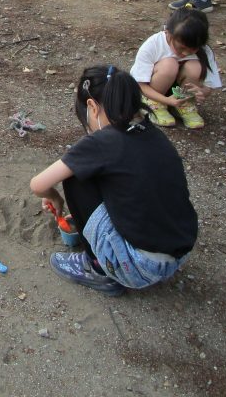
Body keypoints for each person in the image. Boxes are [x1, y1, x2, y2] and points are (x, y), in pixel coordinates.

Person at [30, 66, 198, 297]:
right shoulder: (153, 133)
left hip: (138, 267)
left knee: (76, 176)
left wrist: (55, 198)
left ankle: (97, 268)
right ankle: (109, 244)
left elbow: (38, 185)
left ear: (92, 106)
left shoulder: (102, 142)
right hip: (176, 255)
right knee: (105, 173)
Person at [131, 7, 221, 130]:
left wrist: (201, 93)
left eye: (193, 49)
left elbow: (209, 86)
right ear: (167, 32)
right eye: (181, 48)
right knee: (169, 64)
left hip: (181, 94)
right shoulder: (154, 44)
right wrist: (166, 100)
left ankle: (184, 105)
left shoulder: (205, 51)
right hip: (154, 91)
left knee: (195, 67)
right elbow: (140, 85)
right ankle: (154, 104)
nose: (185, 53)